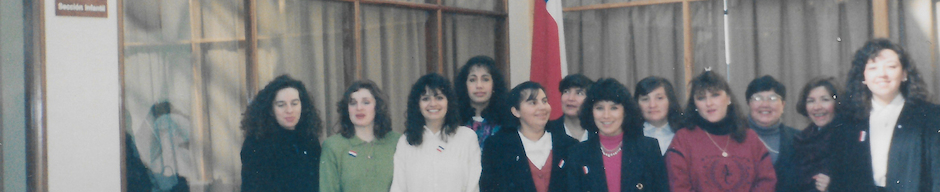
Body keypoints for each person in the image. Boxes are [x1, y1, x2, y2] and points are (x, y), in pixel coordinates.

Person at [829, 39, 940, 192]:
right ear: (863, 76)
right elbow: (839, 178)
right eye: (873, 67)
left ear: (904, 74)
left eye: (891, 67)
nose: (882, 74)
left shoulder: (930, 116)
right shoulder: (849, 120)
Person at [665, 70, 776, 192]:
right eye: (701, 98)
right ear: (695, 105)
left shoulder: (750, 137)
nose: (709, 103)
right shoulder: (682, 139)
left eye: (715, 95)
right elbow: (679, 187)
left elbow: (767, 181)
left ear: (728, 98)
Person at [565, 78, 669, 192]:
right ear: (591, 112)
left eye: (614, 108)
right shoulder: (577, 154)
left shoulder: (648, 148)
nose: (606, 115)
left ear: (625, 112)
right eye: (599, 108)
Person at [390, 73, 481, 192]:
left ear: (449, 102)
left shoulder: (467, 138)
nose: (433, 104)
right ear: (417, 105)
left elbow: (473, 186)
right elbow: (398, 187)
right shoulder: (406, 142)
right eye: (425, 98)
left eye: (439, 97)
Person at [480, 82, 578, 192]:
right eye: (533, 103)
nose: (542, 107)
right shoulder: (497, 147)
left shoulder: (570, 145)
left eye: (544, 101)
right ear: (516, 111)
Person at [240, 75, 323, 192]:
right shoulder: (255, 143)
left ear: (303, 106)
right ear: (271, 110)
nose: (289, 110)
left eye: (294, 103)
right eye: (281, 105)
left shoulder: (310, 140)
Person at [320, 79, 402, 192]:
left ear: (377, 106)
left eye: (366, 102)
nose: (359, 108)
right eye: (353, 103)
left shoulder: (397, 142)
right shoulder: (333, 146)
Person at [744, 75, 799, 191]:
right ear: (749, 103)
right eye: (758, 98)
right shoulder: (733, 138)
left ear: (783, 105)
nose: (765, 104)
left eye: (773, 98)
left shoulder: (799, 139)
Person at [792, 77, 843, 192]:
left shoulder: (848, 138)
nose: (817, 107)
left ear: (836, 102)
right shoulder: (801, 139)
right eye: (811, 101)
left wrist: (834, 185)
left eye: (825, 100)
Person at [455, 55, 510, 148]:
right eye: (473, 80)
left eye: (485, 79)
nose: (479, 85)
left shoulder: (507, 122)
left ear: (494, 84)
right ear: (464, 85)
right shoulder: (454, 122)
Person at [635, 76, 683, 155]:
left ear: (670, 101)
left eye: (659, 98)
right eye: (645, 99)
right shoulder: (630, 135)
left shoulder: (684, 132)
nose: (652, 105)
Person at [547, 74, 594, 142]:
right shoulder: (548, 130)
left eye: (579, 93)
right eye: (566, 92)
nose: (571, 98)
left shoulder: (598, 131)